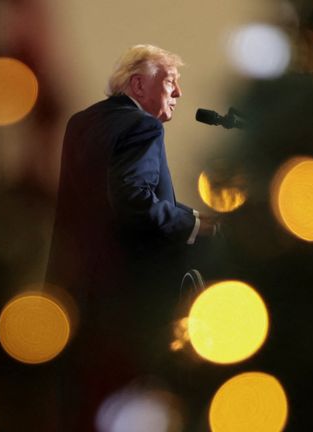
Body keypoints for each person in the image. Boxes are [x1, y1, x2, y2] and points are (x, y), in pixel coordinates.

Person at [46, 44, 216, 428]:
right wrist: (194, 225)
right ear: (138, 85)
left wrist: (183, 214)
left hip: (81, 287)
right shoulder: (143, 126)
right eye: (171, 82)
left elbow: (99, 204)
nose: (179, 93)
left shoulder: (81, 123)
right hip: (133, 295)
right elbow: (135, 203)